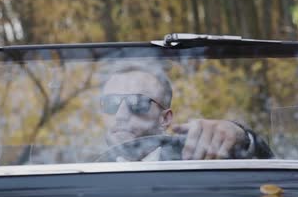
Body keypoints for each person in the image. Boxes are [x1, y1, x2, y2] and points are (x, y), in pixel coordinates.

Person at [99, 63, 272, 161]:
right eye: (111, 103)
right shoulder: (82, 169)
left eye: (137, 102)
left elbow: (268, 170)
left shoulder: (196, 158)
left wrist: (241, 137)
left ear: (165, 119)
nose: (121, 115)